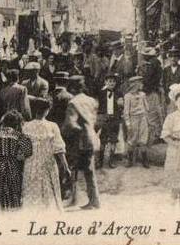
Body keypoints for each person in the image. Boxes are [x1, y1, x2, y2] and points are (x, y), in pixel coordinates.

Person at [22, 96, 70, 211]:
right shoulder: (52, 126)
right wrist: (66, 166)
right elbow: (59, 148)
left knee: (32, 189)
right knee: (48, 189)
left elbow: (23, 148)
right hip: (47, 162)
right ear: (47, 110)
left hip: (31, 162)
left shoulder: (26, 126)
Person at [64, 76, 101, 209]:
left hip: (79, 141)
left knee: (73, 169)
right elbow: (95, 120)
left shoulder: (73, 103)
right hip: (91, 138)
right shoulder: (91, 100)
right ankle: (94, 200)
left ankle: (75, 199)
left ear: (72, 88)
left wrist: (65, 133)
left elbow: (71, 124)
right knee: (89, 171)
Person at [0, 110, 33, 211]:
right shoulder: (19, 135)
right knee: (14, 192)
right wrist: (20, 156)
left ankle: (0, 212)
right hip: (13, 165)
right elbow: (28, 151)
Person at [96, 73, 123, 169]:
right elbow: (98, 106)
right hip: (105, 119)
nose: (112, 83)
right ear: (105, 82)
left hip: (115, 119)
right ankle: (100, 161)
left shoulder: (119, 93)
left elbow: (121, 106)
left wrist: (120, 106)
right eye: (109, 81)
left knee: (113, 140)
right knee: (103, 140)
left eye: (113, 81)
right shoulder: (101, 93)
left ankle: (111, 160)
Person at [140, 46, 165, 143]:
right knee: (157, 113)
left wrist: (144, 87)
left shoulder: (152, 64)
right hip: (154, 90)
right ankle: (158, 134)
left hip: (151, 91)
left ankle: (156, 135)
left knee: (152, 113)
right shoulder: (155, 63)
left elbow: (148, 79)